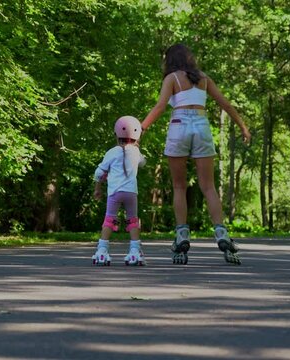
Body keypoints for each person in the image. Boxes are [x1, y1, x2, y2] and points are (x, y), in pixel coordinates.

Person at [140, 44, 251, 265]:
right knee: (208, 186)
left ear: (170, 60)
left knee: (179, 186)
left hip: (179, 124)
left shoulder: (171, 78)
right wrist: (243, 127)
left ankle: (182, 235)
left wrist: (140, 128)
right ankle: (221, 233)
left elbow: (161, 106)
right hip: (201, 126)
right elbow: (225, 104)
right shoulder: (203, 78)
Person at [93, 116, 147, 266]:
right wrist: (137, 149)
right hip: (131, 193)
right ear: (137, 136)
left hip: (115, 193)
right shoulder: (136, 152)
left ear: (116, 134)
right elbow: (143, 163)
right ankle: (135, 251)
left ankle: (102, 250)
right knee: (133, 220)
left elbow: (99, 172)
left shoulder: (112, 152)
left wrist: (97, 189)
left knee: (109, 219)